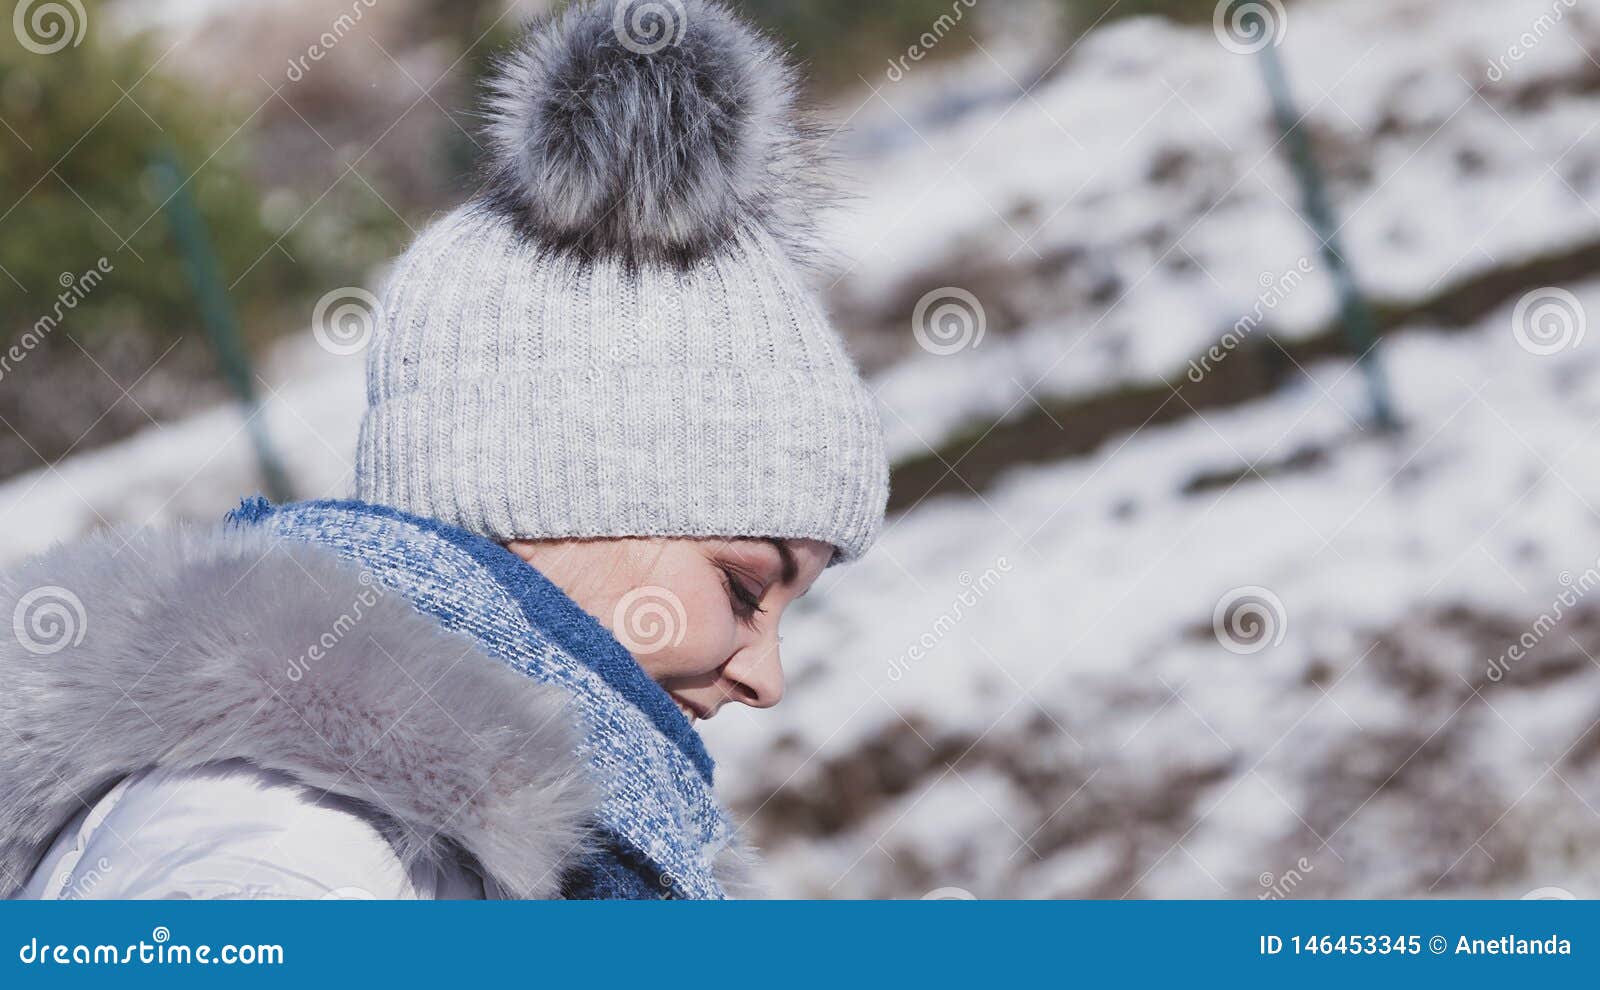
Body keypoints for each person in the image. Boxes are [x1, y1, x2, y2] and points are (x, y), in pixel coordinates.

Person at [0, 0, 886, 900]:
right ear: (548, 485)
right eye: (741, 588)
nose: (765, 677)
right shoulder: (291, 840)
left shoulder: (431, 847)